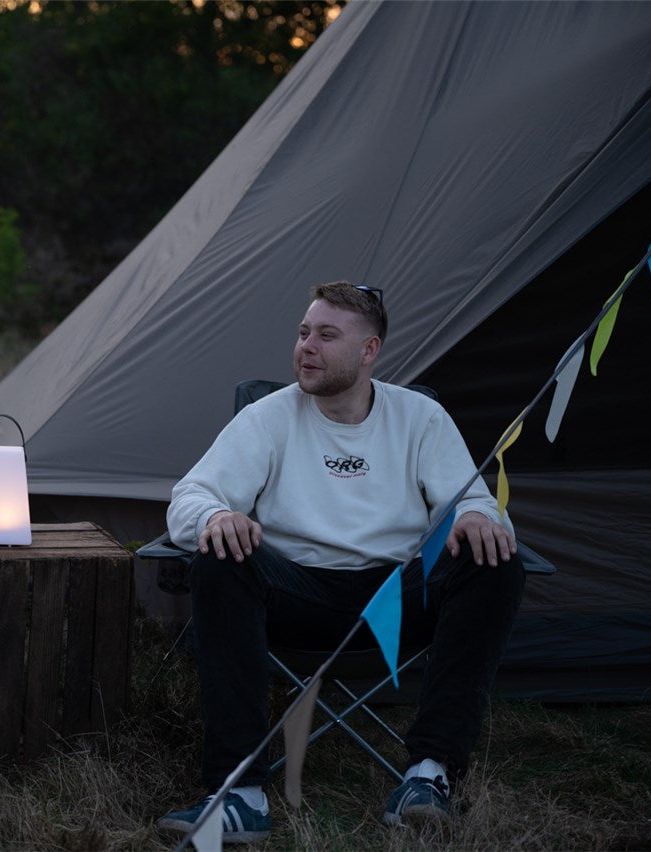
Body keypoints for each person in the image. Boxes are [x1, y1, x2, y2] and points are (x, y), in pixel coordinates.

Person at [156, 282, 525, 841]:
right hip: (296, 594)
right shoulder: (268, 418)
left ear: (369, 350)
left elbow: (474, 499)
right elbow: (190, 498)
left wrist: (477, 517)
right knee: (220, 558)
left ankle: (428, 776)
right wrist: (214, 518)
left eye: (327, 336)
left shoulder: (420, 418)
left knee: (493, 559)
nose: (307, 347)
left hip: (398, 600)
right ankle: (240, 793)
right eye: (304, 333)